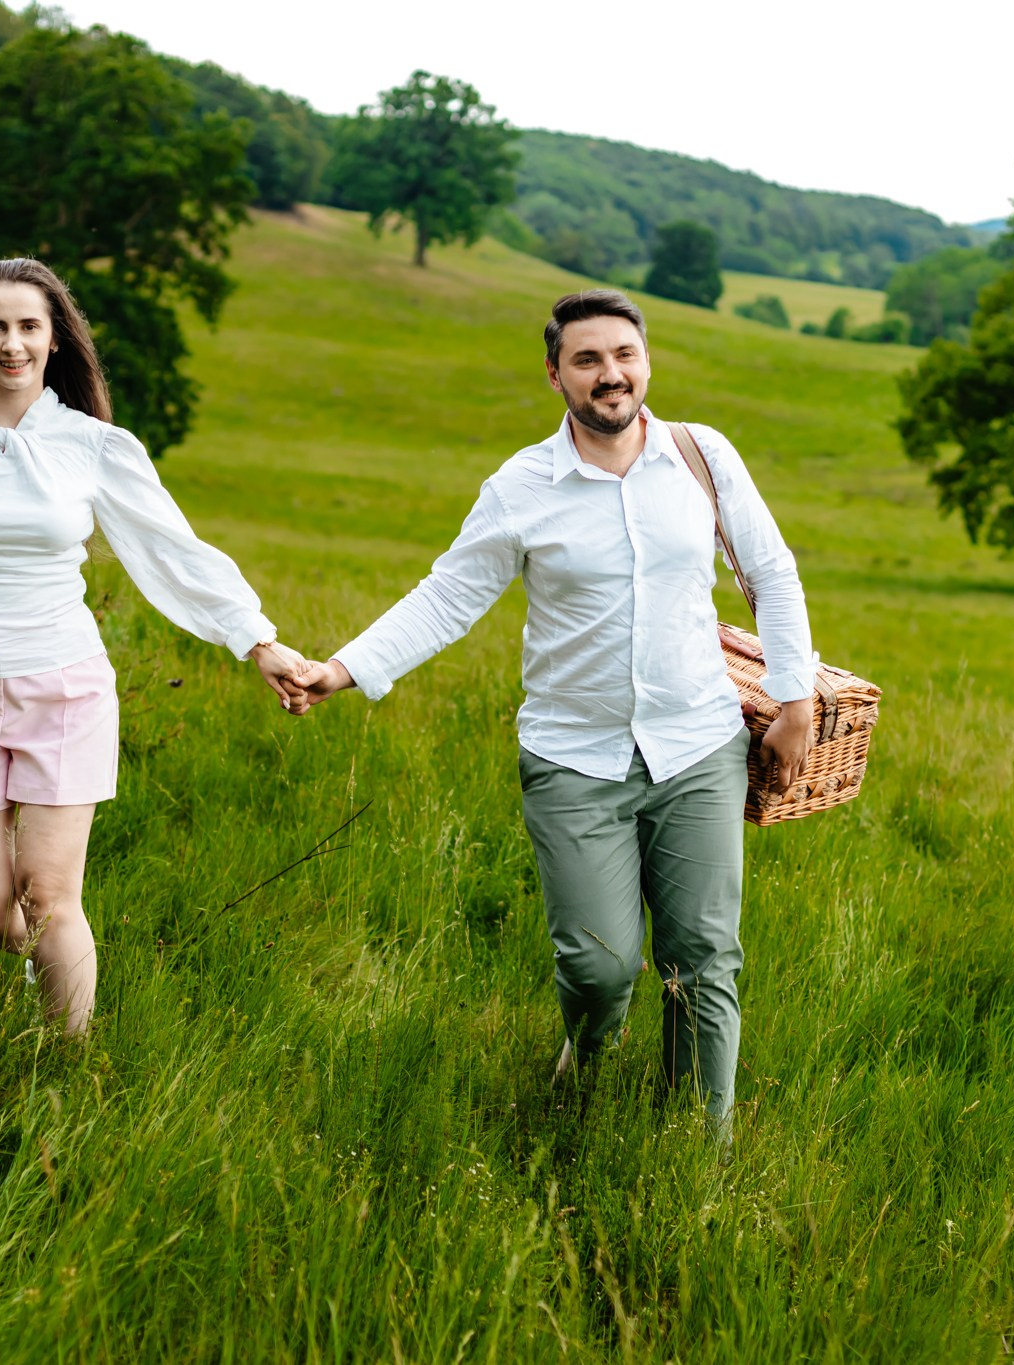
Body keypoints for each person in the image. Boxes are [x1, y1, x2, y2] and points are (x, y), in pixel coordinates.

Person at [292, 290, 818, 1134]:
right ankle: (588, 1054)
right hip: (576, 758)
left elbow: (773, 571)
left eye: (625, 355)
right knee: (600, 966)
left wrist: (796, 698)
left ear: (646, 360)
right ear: (555, 375)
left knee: (704, 959)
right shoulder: (522, 486)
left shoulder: (701, 456)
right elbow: (448, 598)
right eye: (588, 360)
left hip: (698, 748)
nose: (611, 374)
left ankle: (697, 1147)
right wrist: (343, 669)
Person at [0, 257, 306, 1034]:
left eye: (28, 327)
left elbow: (178, 549)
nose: (12, 344)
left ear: (55, 338)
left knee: (48, 896)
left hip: (61, 688)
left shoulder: (95, 445)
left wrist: (259, 640)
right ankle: (51, 974)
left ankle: (72, 1061)